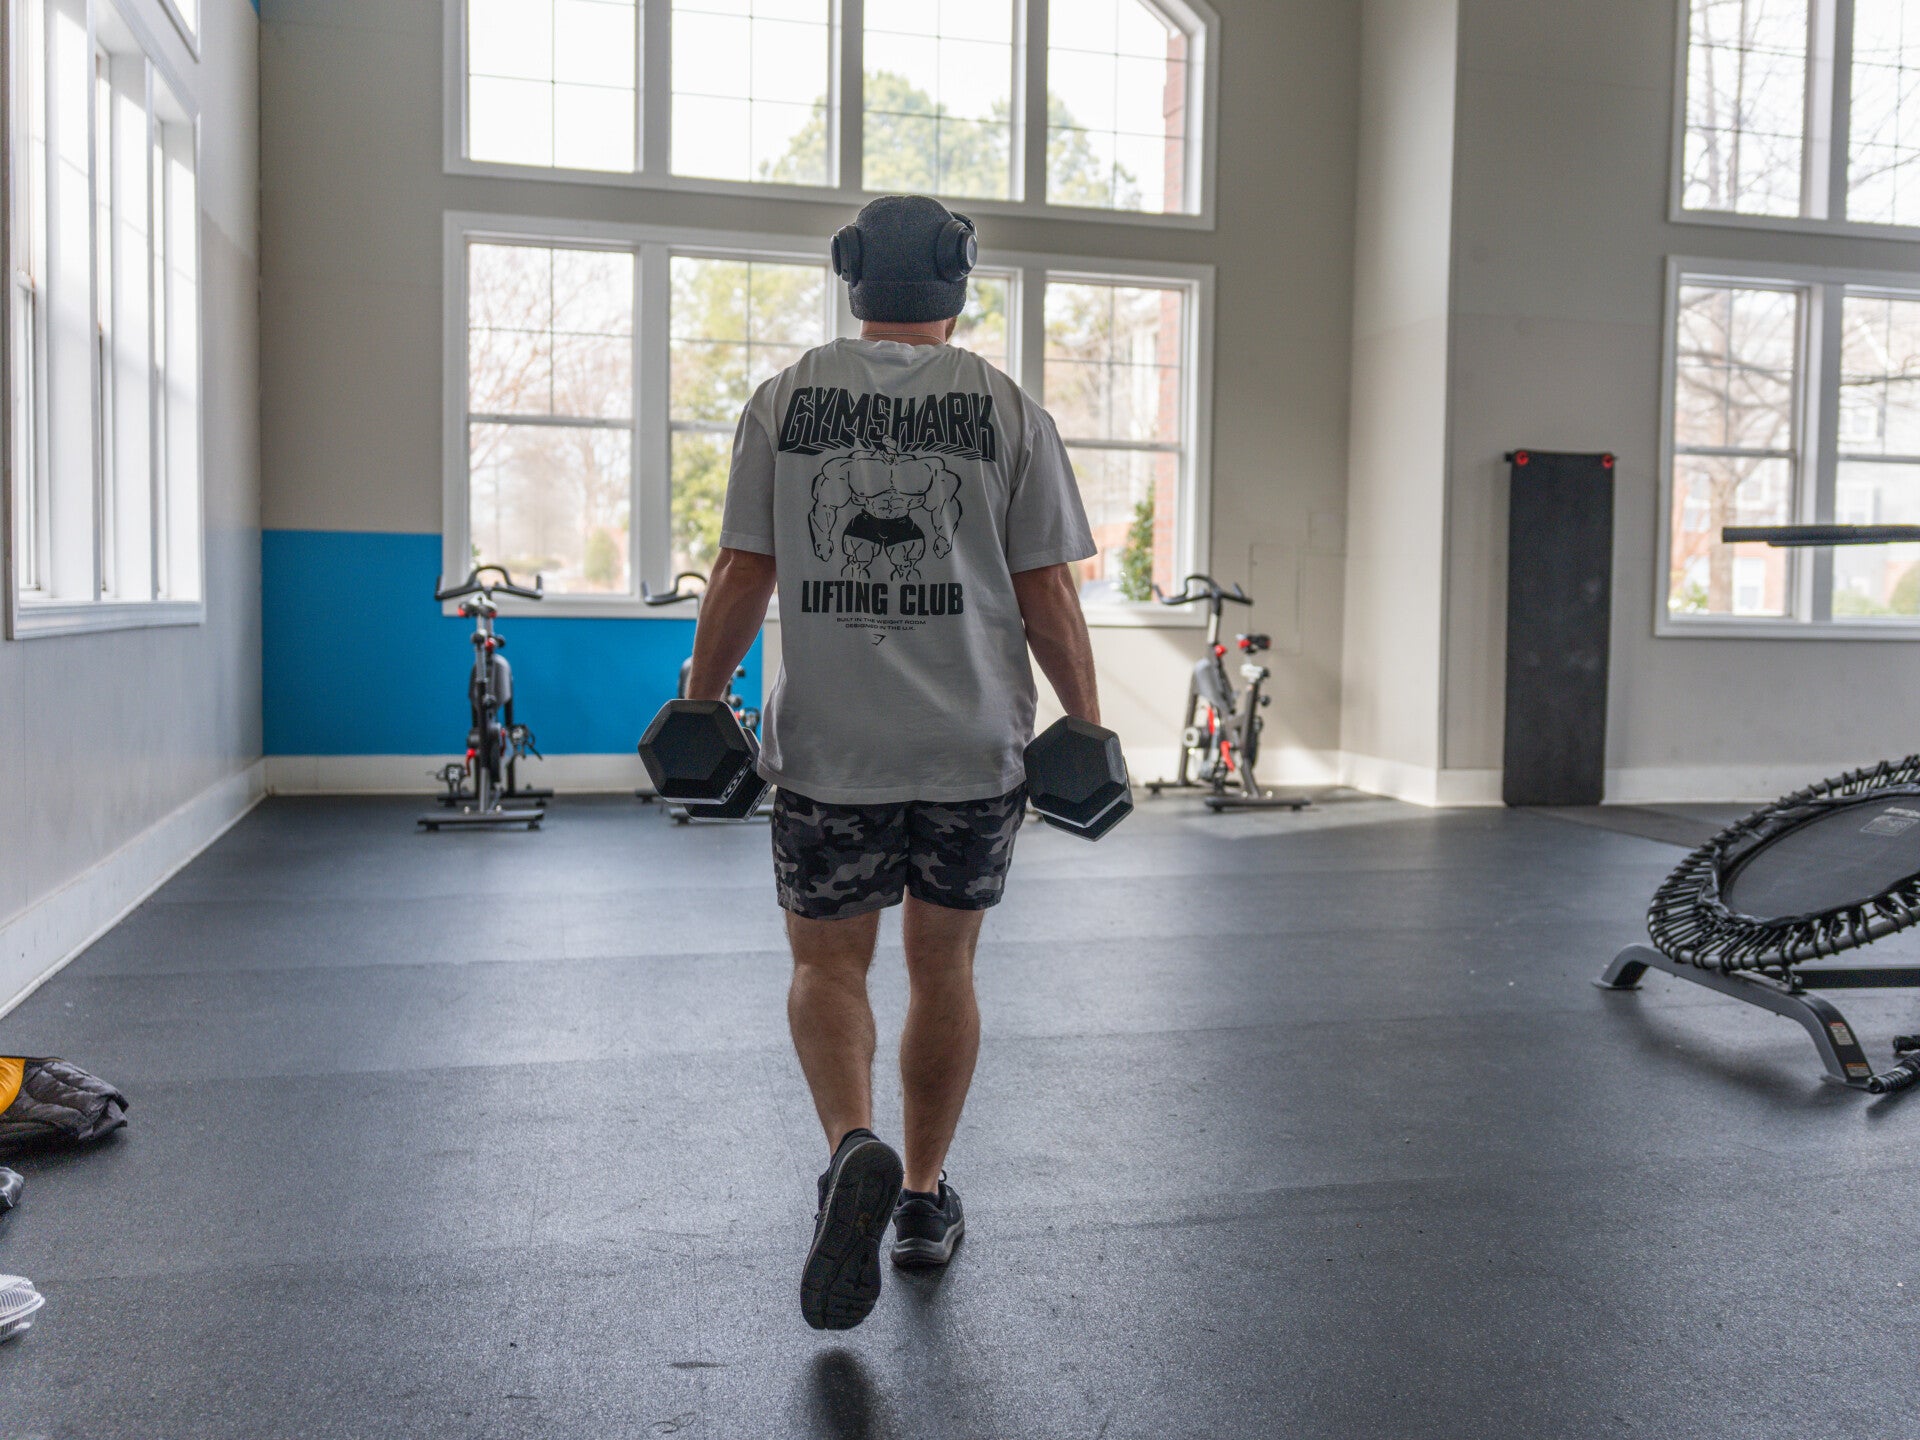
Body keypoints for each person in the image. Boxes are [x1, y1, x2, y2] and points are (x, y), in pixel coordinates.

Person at [683, 194, 1101, 1331]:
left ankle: (848, 1148)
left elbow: (743, 571)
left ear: (852, 274)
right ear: (960, 281)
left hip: (832, 750)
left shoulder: (785, 399)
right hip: (972, 751)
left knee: (828, 967)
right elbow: (1048, 592)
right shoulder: (1007, 408)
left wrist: (700, 702)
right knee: (943, 968)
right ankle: (918, 1199)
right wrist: (1089, 721)